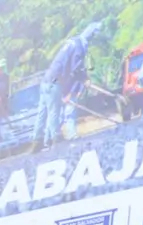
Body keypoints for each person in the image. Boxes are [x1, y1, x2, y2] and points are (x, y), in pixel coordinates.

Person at [31, 22, 101, 152]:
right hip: (54, 81)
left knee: (42, 112)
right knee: (53, 112)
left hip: (46, 80)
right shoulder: (80, 46)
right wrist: (85, 79)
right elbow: (76, 68)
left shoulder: (72, 41)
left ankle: (37, 141)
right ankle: (56, 140)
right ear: (90, 36)